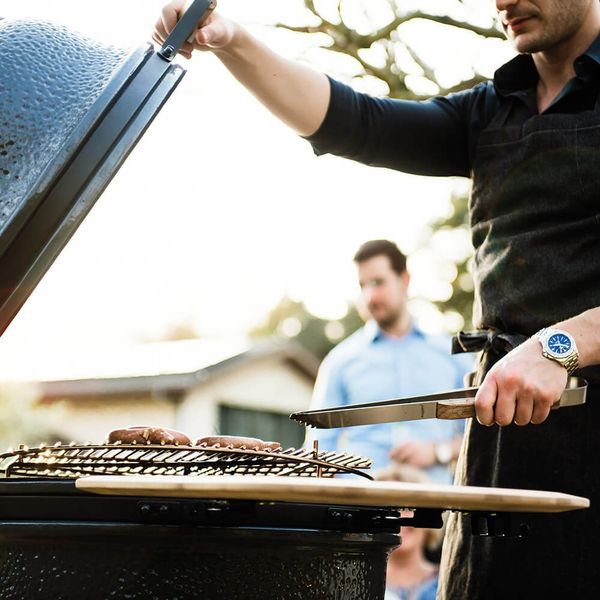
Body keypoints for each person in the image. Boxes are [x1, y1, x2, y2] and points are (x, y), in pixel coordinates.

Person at [153, 1, 600, 598]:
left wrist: (559, 347)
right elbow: (354, 120)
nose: (502, 1)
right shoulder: (490, 112)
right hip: (499, 452)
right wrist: (232, 40)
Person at [304, 239, 471, 483]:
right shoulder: (339, 361)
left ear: (404, 280)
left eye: (378, 282)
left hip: (434, 512)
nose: (369, 296)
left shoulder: (453, 356)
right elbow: (316, 451)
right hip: (360, 511)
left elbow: (478, 437)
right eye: (363, 285)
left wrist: (438, 451)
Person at [375, 464, 442, 600]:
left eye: (407, 507)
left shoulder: (451, 580)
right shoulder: (357, 582)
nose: (400, 517)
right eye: (390, 509)